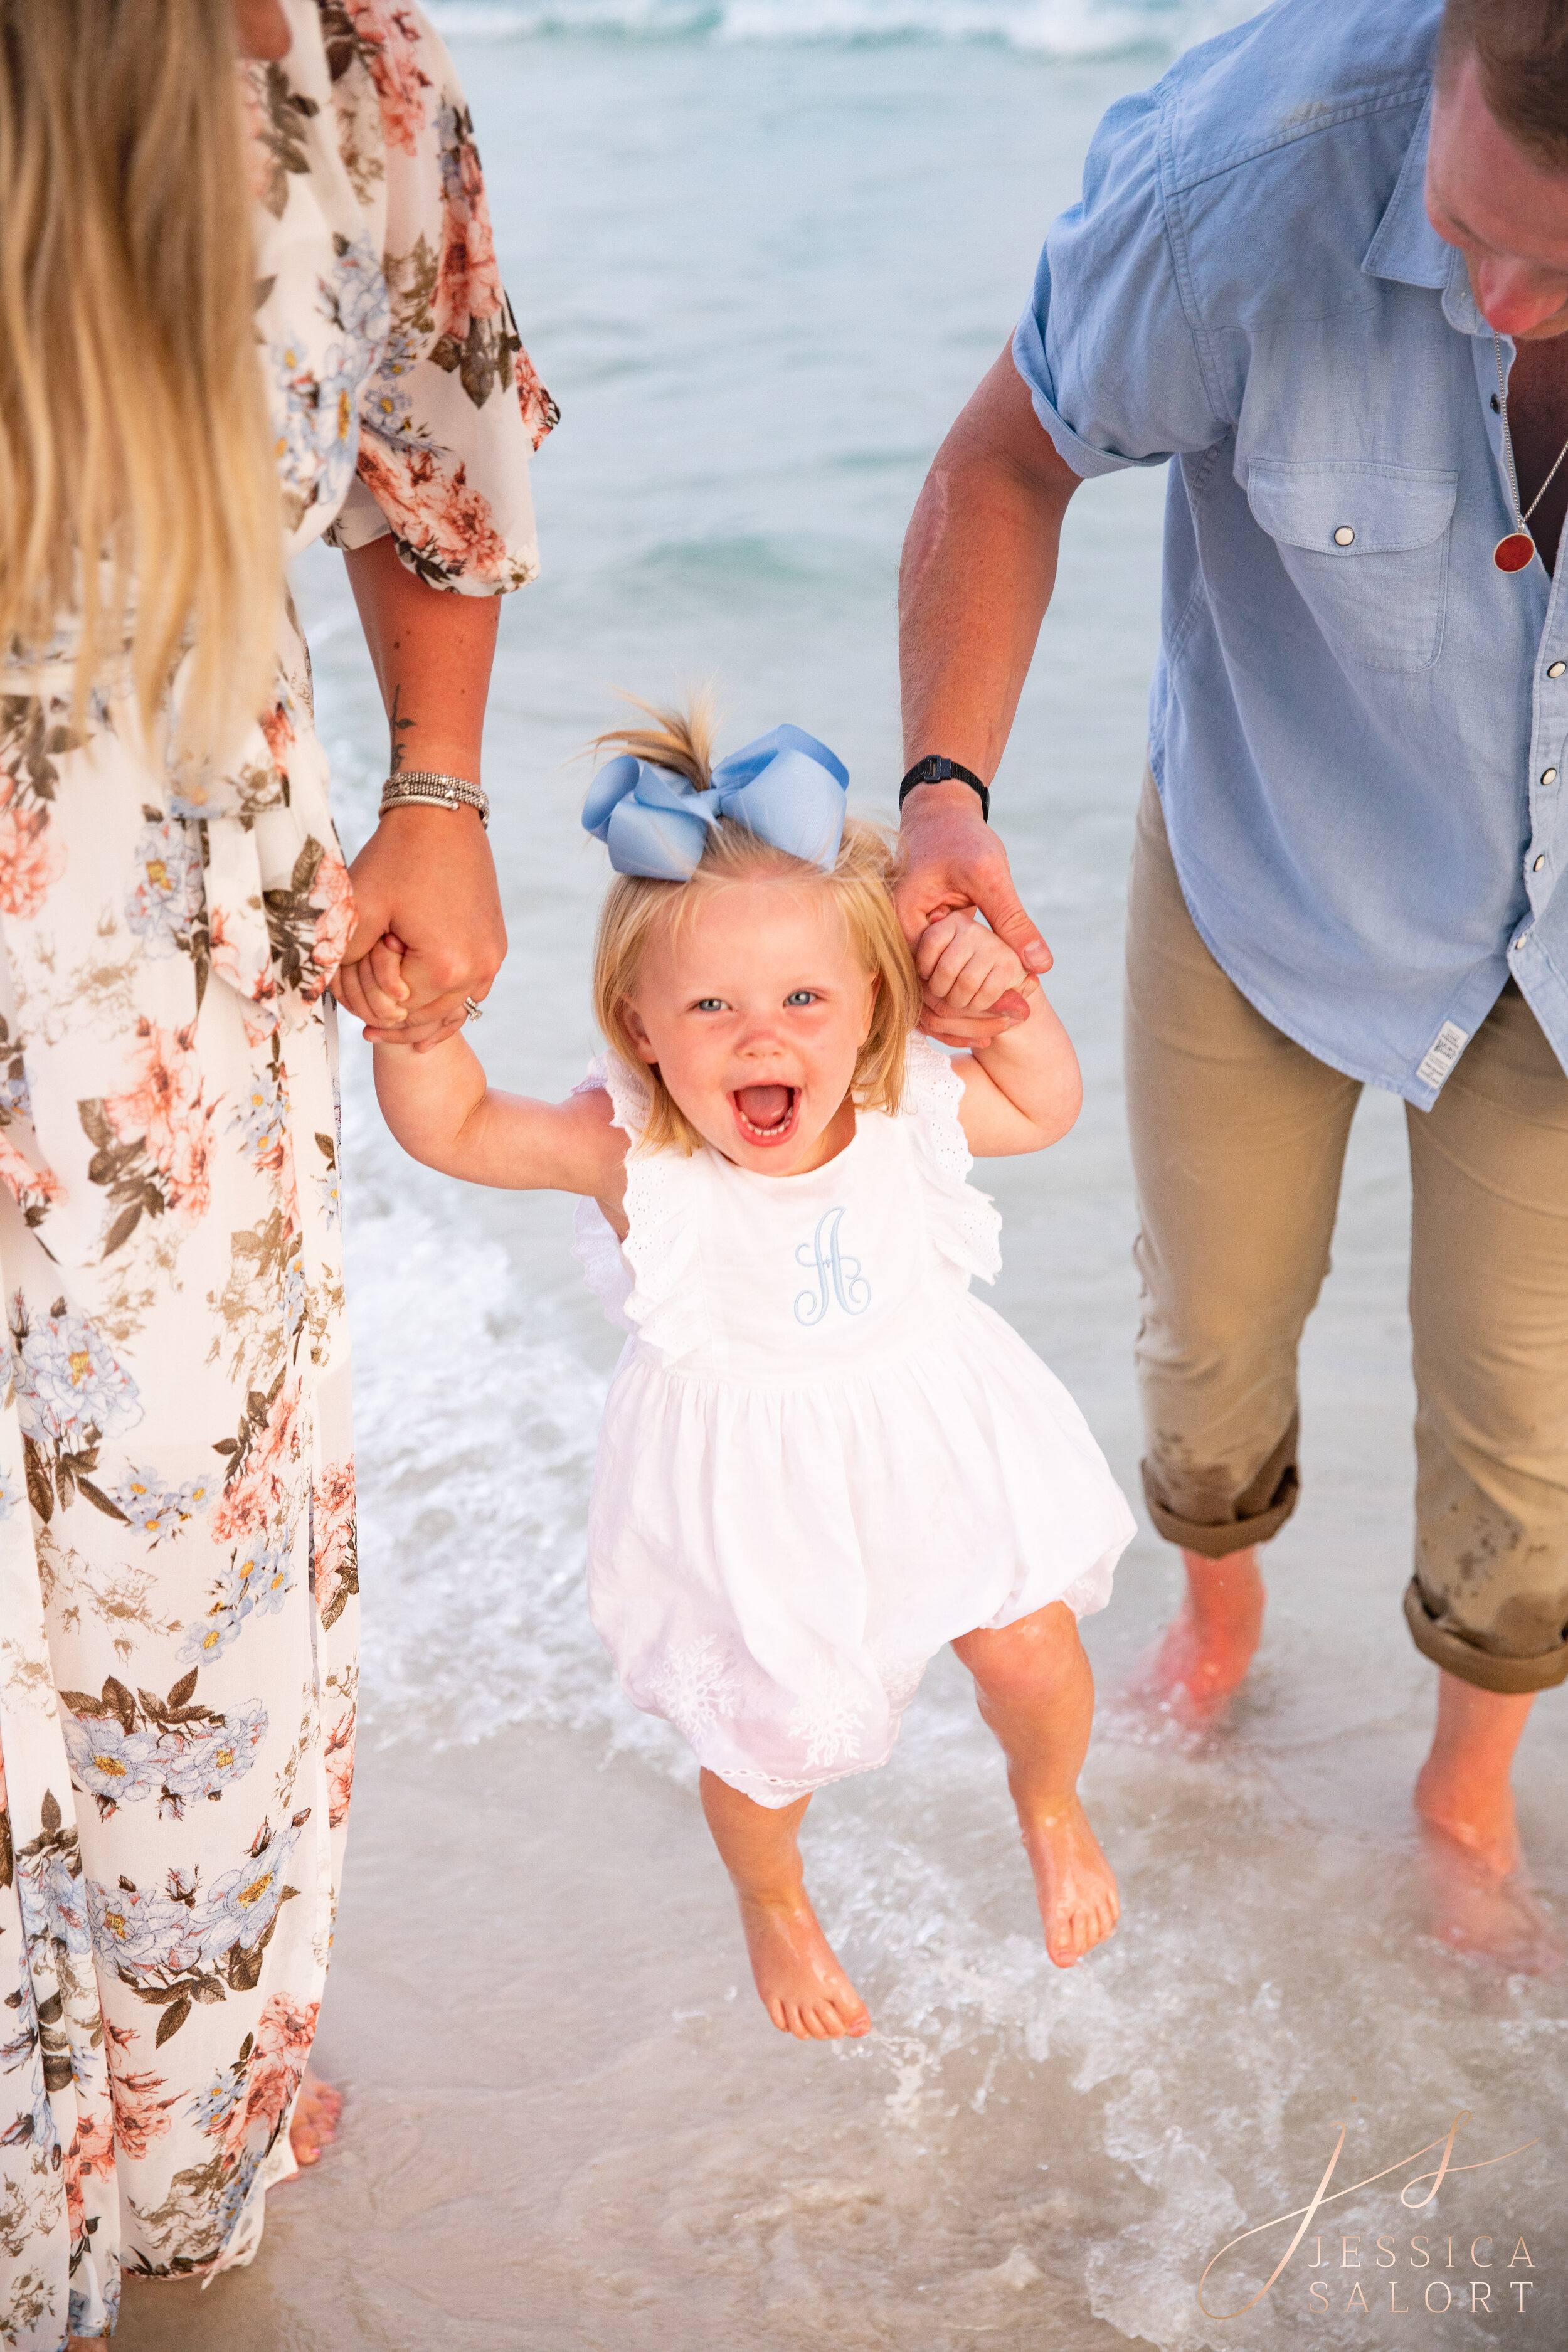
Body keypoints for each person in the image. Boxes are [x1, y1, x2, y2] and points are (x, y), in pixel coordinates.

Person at [895, 0, 1568, 1968]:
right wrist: (943, 798)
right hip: (1268, 857)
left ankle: (1461, 1787)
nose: (1502, 293)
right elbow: (1006, 460)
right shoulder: (1238, 173)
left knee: (1525, 1433)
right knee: (1206, 1344)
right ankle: (1216, 1619)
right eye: (1466, 225)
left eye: (1563, 260)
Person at [0, 2, 552, 2342]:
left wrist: (439, 789)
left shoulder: (349, 74)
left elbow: (439, 440)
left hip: (164, 1004)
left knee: (171, 1612)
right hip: (129, 963)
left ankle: (163, 2128)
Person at [368, 702, 1134, 2040]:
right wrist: (415, 1030)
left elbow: (1045, 1101)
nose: (759, 1038)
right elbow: (460, 1132)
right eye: (709, 1007)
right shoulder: (628, 1154)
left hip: (932, 1441)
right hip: (750, 1504)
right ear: (640, 1027)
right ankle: (774, 1899)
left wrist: (998, 1000)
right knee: (767, 1748)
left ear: (872, 1009)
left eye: (801, 1000)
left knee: (1029, 1650)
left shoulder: (903, 1111)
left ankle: (1050, 1796)